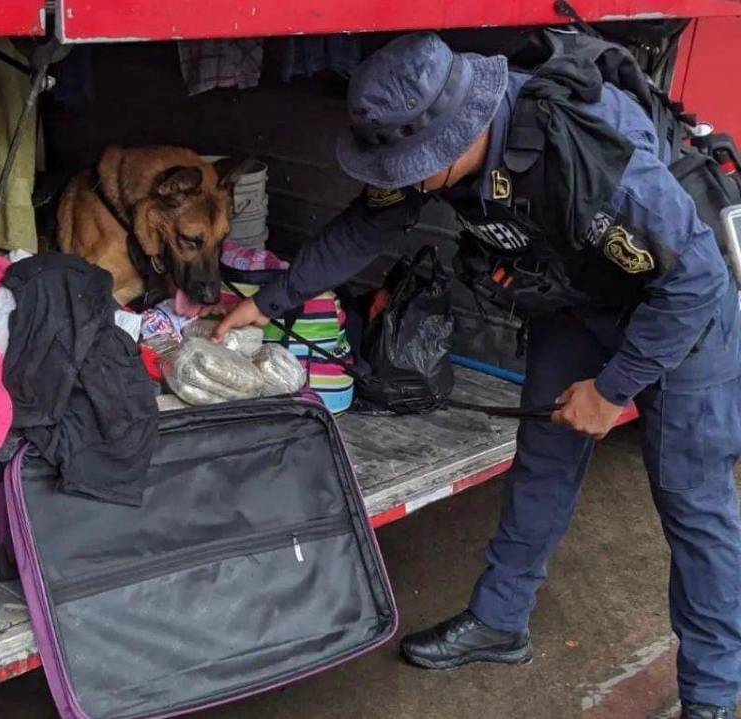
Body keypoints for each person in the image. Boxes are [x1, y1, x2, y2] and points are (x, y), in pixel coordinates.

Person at [213, 32, 741, 719]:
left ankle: (714, 693)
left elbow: (696, 282)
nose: (398, 177)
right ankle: (500, 619)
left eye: (408, 164)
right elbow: (360, 228)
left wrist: (614, 390)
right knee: (543, 463)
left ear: (457, 133)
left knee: (693, 503)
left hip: (681, 309)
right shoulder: (438, 152)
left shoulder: (582, 156)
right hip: (581, 297)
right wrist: (265, 302)